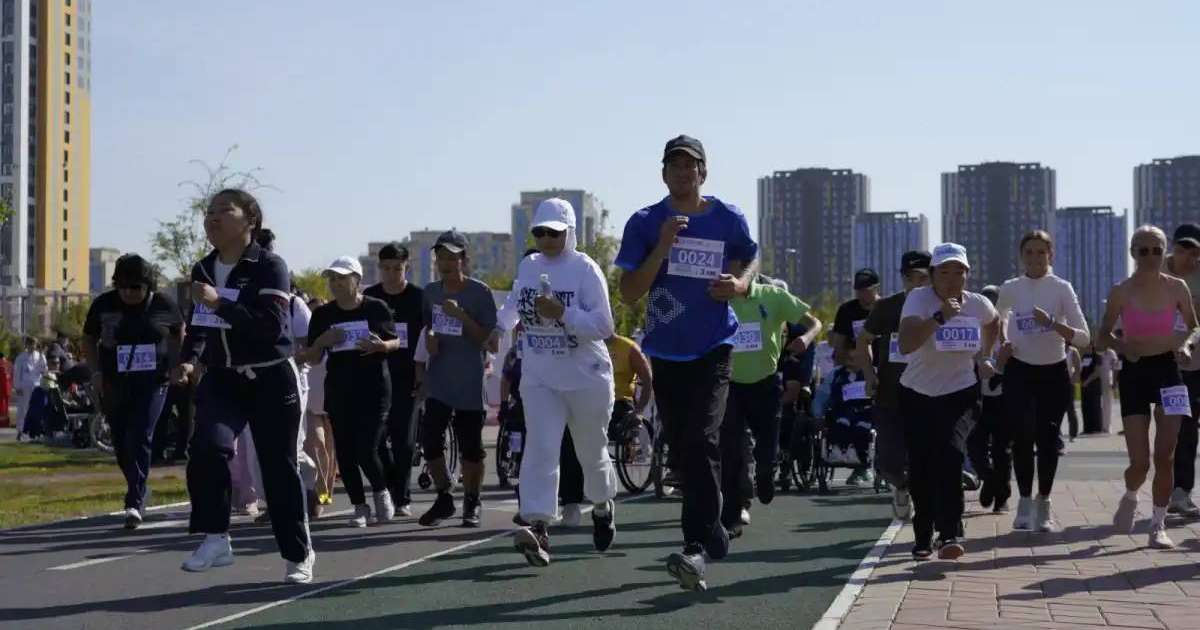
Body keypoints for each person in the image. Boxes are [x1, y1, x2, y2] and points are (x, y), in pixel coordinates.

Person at [614, 134, 758, 591]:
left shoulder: (727, 217)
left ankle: (695, 546)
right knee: (683, 449)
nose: (682, 172)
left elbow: (751, 256)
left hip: (715, 345)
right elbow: (630, 292)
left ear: (703, 172)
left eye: (690, 165)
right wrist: (662, 246)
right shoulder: (645, 221)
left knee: (701, 437)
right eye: (674, 166)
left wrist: (740, 284)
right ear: (663, 174)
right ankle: (713, 526)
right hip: (665, 349)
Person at [175, 189, 314, 584]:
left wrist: (221, 303)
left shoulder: (270, 266)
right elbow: (200, 325)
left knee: (277, 469)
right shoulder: (203, 268)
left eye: (224, 211)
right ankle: (216, 537)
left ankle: (298, 554)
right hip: (222, 377)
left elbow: (270, 327)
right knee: (206, 448)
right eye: (208, 212)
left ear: (250, 220)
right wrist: (189, 359)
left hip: (271, 375)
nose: (212, 219)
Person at [494, 197, 620, 566]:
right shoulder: (529, 265)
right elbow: (514, 304)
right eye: (540, 232)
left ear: (570, 233)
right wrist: (497, 328)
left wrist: (564, 313)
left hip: (586, 377)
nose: (547, 239)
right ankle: (537, 525)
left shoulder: (585, 269)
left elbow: (604, 326)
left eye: (555, 232)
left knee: (590, 452)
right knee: (541, 448)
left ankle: (601, 505)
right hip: (541, 376)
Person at [1097, 225, 1199, 549]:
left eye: (1157, 250)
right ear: (1133, 254)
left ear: (1164, 250)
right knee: (1140, 463)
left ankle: (1158, 525)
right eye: (1143, 250)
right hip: (1136, 373)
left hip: (1169, 371)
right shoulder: (1120, 291)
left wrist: (1185, 346)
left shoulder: (1177, 287)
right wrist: (1125, 348)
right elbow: (1102, 337)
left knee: (1165, 456)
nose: (1151, 256)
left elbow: (1194, 327)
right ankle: (1130, 495)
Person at [898, 243, 999, 560]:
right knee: (921, 465)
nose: (952, 279)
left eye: (959, 271)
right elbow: (905, 343)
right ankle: (923, 533)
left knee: (951, 453)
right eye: (944, 271)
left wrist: (985, 356)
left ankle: (951, 532)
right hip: (917, 393)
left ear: (967, 274)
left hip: (961, 392)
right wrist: (939, 318)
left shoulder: (978, 304)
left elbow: (994, 322)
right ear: (932, 275)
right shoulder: (919, 299)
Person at [995, 230, 1090, 533]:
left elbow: (1084, 338)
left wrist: (1051, 324)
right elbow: (996, 325)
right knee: (1022, 436)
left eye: (1041, 252)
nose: (1035, 258)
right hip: (1019, 370)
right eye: (1029, 252)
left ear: (1051, 255)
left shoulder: (1061, 288)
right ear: (1021, 256)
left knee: (1048, 440)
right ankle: (1023, 500)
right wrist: (1002, 347)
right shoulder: (1010, 288)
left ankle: (1044, 501)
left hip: (1053, 371)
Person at [81, 254, 185, 529]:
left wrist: (178, 365)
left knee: (140, 434)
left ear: (148, 286)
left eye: (135, 287)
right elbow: (88, 337)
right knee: (121, 440)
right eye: (123, 287)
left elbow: (179, 333)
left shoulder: (164, 305)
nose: (128, 293)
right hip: (115, 382)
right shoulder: (103, 304)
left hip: (153, 382)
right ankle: (139, 487)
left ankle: (134, 501)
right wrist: (96, 372)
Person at [300, 256, 400, 527]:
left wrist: (381, 347)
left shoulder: (376, 308)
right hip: (339, 390)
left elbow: (396, 341)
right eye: (332, 279)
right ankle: (359, 507)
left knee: (366, 449)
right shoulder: (323, 314)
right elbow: (311, 357)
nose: (336, 283)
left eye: (342, 278)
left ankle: (381, 492)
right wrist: (323, 340)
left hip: (374, 389)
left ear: (357, 280)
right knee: (344, 451)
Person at [721, 275, 818, 533]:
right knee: (730, 451)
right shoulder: (718, 296)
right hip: (729, 385)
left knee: (766, 451)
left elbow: (815, 323)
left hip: (765, 384)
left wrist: (806, 339)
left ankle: (766, 473)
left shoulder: (772, 296)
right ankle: (730, 517)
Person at [418, 230, 498, 528]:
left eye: (453, 257)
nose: (446, 263)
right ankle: (444, 497)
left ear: (464, 259)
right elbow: (429, 328)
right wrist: (431, 340)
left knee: (471, 447)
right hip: (439, 379)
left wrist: (462, 316)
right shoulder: (430, 291)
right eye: (441, 256)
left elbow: (485, 340)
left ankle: (472, 501)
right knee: (430, 442)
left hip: (469, 381)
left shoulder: (480, 292)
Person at [856, 250, 931, 520]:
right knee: (888, 463)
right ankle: (901, 486)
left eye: (924, 277)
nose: (918, 284)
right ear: (902, 278)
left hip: (929, 393)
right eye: (912, 278)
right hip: (890, 392)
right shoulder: (887, 307)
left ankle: (932, 517)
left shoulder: (940, 306)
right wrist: (869, 374)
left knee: (928, 458)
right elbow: (863, 340)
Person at [557, 332, 654, 527]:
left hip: (619, 405)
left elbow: (647, 378)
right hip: (587, 401)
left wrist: (639, 411)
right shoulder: (581, 344)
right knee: (569, 440)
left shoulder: (627, 347)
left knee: (594, 442)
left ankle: (602, 498)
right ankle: (570, 502)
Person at [364, 243, 424, 517]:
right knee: (375, 440)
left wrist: (423, 375)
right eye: (386, 268)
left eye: (397, 269)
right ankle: (389, 485)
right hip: (375, 378)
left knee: (404, 441)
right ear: (379, 268)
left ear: (406, 268)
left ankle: (402, 498)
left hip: (408, 378)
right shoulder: (369, 297)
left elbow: (427, 339)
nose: (391, 274)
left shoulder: (418, 298)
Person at [966, 285, 1013, 514]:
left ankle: (1001, 497)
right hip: (976, 396)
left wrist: (1001, 366)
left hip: (1003, 398)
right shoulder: (972, 327)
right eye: (986, 301)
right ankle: (990, 479)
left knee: (1002, 450)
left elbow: (1015, 356)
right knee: (974, 445)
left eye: (995, 301)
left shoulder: (1009, 328)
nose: (990, 306)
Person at [832, 268, 880, 486]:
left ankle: (879, 464)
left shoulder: (885, 308)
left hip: (882, 368)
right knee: (847, 409)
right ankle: (855, 460)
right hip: (854, 365)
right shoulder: (847, 311)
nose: (862, 294)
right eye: (859, 290)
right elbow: (838, 345)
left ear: (875, 289)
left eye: (866, 290)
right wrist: (846, 362)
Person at [1166, 223, 1200, 517]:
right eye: (1182, 248)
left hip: (1197, 360)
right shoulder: (1157, 273)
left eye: (1194, 250)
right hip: (1167, 363)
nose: (1189, 256)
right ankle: (1176, 490)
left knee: (1188, 429)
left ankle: (1181, 491)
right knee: (1180, 428)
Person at [304, 297, 337, 510]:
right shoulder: (307, 343)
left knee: (330, 451)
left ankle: (324, 496)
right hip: (310, 402)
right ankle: (317, 492)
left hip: (333, 402)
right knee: (316, 445)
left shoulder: (336, 342)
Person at [13, 337, 47, 441]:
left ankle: (36, 432)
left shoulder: (40, 356)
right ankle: (20, 431)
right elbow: (16, 373)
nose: (32, 346)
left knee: (36, 409)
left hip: (36, 386)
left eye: (34, 344)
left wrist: (42, 356)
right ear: (26, 345)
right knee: (23, 409)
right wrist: (17, 386)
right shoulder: (20, 358)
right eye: (30, 344)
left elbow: (44, 370)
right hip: (24, 386)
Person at [1080, 343, 1105, 436]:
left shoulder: (1097, 357)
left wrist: (1087, 381)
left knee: (1094, 405)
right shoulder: (1084, 356)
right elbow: (1081, 369)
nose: (1086, 347)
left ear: (1092, 346)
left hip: (1093, 384)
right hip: (1084, 385)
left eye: (1088, 345)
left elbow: (1097, 372)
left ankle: (1096, 428)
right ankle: (1087, 428)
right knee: (1085, 406)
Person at [0, 351, 10, 427]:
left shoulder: (5, 366)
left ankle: (4, 423)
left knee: (3, 407)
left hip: (4, 390)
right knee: (4, 407)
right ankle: (4, 423)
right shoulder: (7, 365)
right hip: (5, 389)